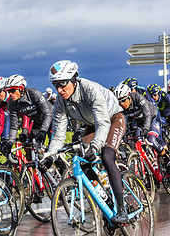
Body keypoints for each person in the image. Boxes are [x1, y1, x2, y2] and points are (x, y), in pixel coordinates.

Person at [44, 60, 128, 224]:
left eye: (63, 84)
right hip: (92, 124)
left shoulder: (90, 89)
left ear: (74, 79)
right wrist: (50, 156)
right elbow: (59, 136)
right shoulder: (61, 102)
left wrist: (96, 146)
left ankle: (122, 208)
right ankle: (105, 199)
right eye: (56, 86)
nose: (60, 90)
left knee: (107, 156)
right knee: (81, 160)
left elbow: (104, 123)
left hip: (112, 119)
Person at [113, 84, 169, 163]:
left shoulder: (138, 98)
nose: (122, 103)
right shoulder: (121, 107)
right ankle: (146, 165)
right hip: (140, 121)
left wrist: (146, 129)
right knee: (138, 143)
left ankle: (168, 162)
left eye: (123, 100)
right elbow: (123, 123)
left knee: (151, 140)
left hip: (152, 117)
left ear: (129, 97)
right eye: (119, 101)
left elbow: (147, 115)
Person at [0, 74, 53, 155]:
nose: (10, 94)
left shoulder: (34, 94)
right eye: (8, 91)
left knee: (52, 150)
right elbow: (14, 126)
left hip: (52, 118)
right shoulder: (11, 103)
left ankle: (63, 167)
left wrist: (43, 131)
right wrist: (10, 142)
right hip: (38, 121)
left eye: (13, 91)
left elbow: (47, 114)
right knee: (31, 148)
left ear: (21, 89)